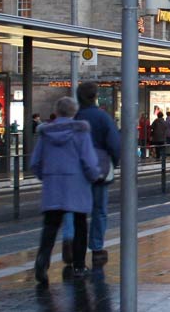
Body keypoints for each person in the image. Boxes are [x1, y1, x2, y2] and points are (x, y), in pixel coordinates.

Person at [31, 96, 104, 286]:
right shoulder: (80, 132)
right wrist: (94, 176)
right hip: (76, 185)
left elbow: (35, 162)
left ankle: (42, 261)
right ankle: (79, 266)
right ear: (74, 112)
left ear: (56, 111)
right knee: (80, 225)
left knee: (50, 226)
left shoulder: (45, 133)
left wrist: (47, 176)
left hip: (53, 185)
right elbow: (88, 161)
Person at [62, 82, 122, 268]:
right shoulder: (103, 117)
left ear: (78, 97)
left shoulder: (75, 118)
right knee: (99, 210)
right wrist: (112, 162)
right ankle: (96, 248)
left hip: (77, 170)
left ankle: (70, 239)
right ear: (95, 96)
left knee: (73, 209)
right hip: (99, 169)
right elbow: (115, 144)